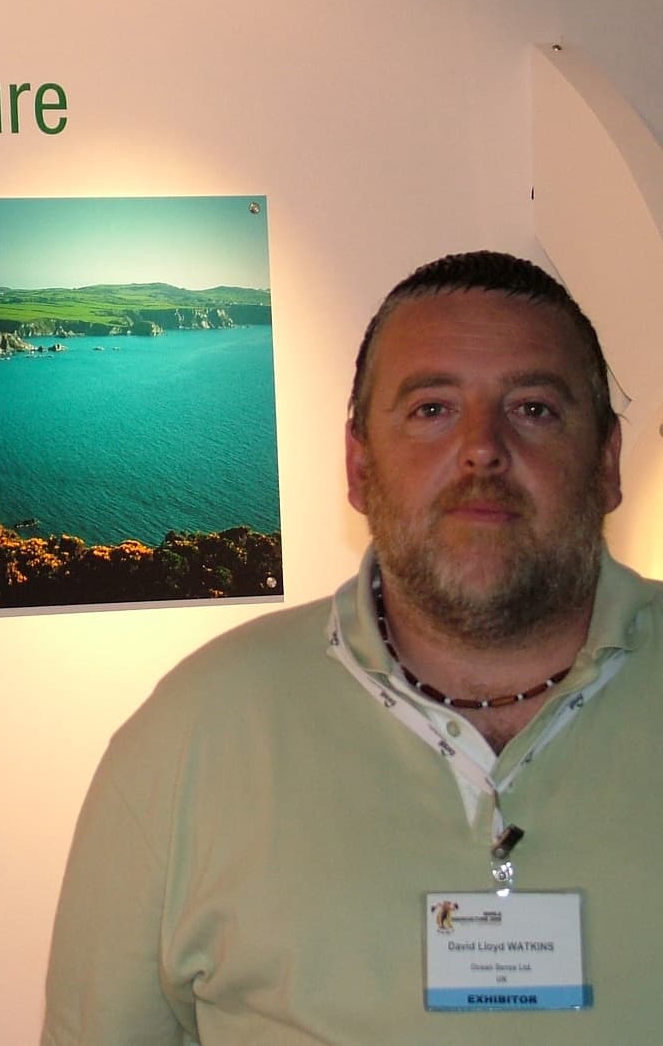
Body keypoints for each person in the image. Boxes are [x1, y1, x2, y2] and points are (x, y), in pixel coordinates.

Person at [41, 251, 663, 1044]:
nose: (482, 449)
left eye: (534, 408)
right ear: (359, 467)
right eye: (432, 409)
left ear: (608, 464)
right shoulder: (189, 737)